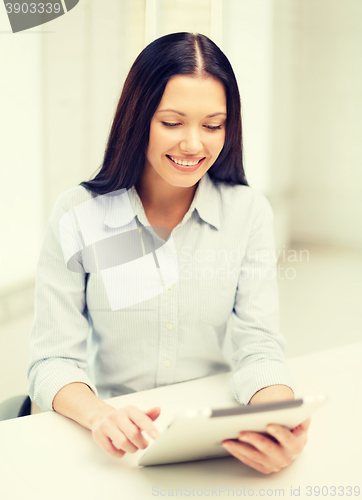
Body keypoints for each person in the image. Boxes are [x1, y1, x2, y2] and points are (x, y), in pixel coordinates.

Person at [27, 32, 310, 475]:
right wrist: (101, 415)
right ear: (138, 119)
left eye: (212, 125)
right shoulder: (79, 214)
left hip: (210, 439)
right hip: (112, 439)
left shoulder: (248, 212)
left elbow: (258, 345)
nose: (194, 145)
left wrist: (278, 420)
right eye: (172, 122)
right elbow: (53, 361)